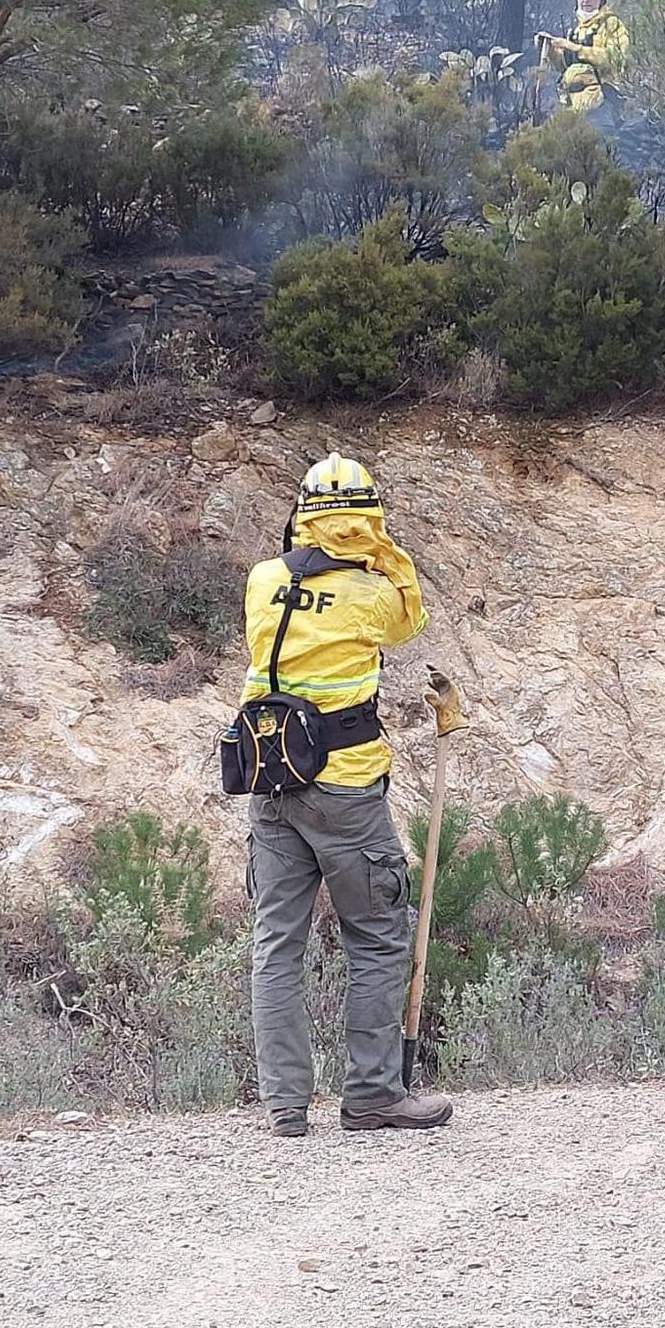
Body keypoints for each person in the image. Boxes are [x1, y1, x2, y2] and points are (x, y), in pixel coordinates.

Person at [243, 452, 452, 1138]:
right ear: (367, 521)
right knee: (378, 936)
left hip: (270, 777)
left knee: (278, 942)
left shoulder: (263, 580)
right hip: (346, 788)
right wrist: (382, 549)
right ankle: (371, 1094)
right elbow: (408, 621)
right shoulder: (371, 594)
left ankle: (284, 1106)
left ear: (302, 514)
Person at [535, 0, 629, 123]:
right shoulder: (576, 31)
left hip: (603, 106)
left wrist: (575, 48)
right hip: (572, 104)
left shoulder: (612, 24)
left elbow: (616, 59)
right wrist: (550, 49)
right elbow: (564, 66)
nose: (585, 0)